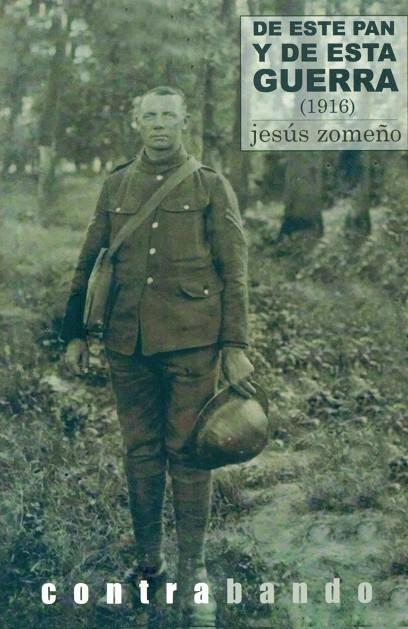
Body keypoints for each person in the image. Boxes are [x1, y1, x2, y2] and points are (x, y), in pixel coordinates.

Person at [60, 85, 254, 627]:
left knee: (190, 454)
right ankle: (149, 567)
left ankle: (194, 575)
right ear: (137, 123)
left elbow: (235, 269)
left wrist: (236, 345)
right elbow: (89, 259)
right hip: (128, 343)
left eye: (169, 116)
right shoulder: (116, 183)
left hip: (193, 341)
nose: (160, 125)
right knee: (140, 454)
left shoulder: (210, 185)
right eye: (151, 116)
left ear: (185, 122)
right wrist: (75, 332)